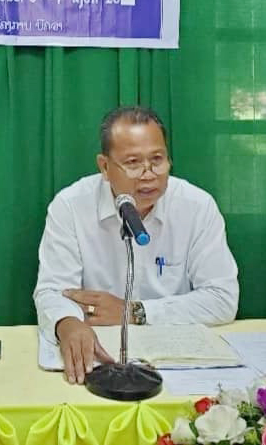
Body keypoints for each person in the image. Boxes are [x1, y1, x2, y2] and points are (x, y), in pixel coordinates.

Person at [33, 106, 240, 384]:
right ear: (105, 167)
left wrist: (134, 312)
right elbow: (53, 290)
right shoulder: (71, 206)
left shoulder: (196, 206)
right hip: (102, 359)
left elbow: (222, 299)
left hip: (174, 362)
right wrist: (66, 323)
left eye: (157, 160)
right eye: (133, 163)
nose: (148, 174)